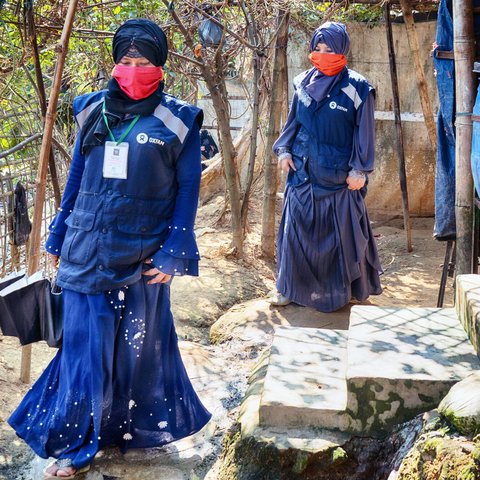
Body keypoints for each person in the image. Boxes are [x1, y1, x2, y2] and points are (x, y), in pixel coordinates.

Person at [8, 18, 211, 479]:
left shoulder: (179, 121)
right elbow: (77, 177)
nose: (133, 68)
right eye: (125, 60)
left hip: (143, 256)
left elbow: (187, 191)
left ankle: (124, 430)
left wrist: (174, 253)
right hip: (86, 246)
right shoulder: (91, 111)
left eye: (142, 61)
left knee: (135, 350)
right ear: (114, 64)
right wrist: (56, 236)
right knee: (84, 348)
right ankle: (78, 444)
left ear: (159, 66)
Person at [271, 21, 382, 313]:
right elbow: (292, 122)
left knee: (340, 241)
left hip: (338, 179)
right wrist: (283, 150)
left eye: (329, 50)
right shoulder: (301, 83)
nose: (322, 55)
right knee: (295, 236)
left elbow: (364, 132)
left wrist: (360, 170)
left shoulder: (358, 88)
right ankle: (288, 289)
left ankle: (347, 292)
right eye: (317, 49)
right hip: (302, 174)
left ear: (343, 51)